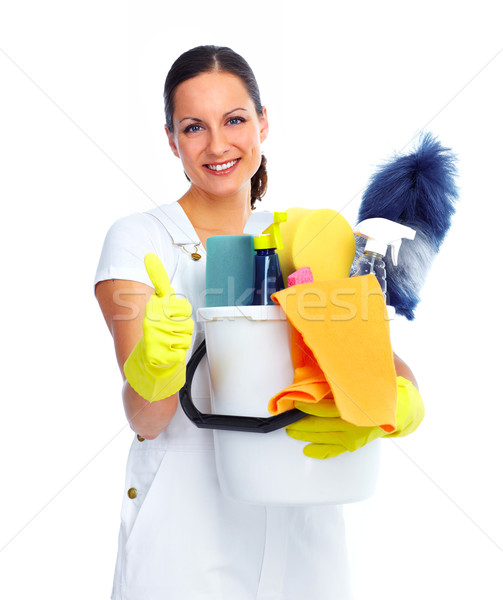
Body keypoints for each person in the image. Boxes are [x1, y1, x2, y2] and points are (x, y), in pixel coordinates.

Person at [95, 45, 422, 600]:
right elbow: (146, 420)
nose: (218, 145)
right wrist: (155, 368)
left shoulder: (308, 236)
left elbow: (386, 370)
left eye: (235, 120)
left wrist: (394, 407)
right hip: (184, 539)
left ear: (264, 123)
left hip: (304, 529)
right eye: (194, 127)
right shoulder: (140, 240)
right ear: (172, 140)